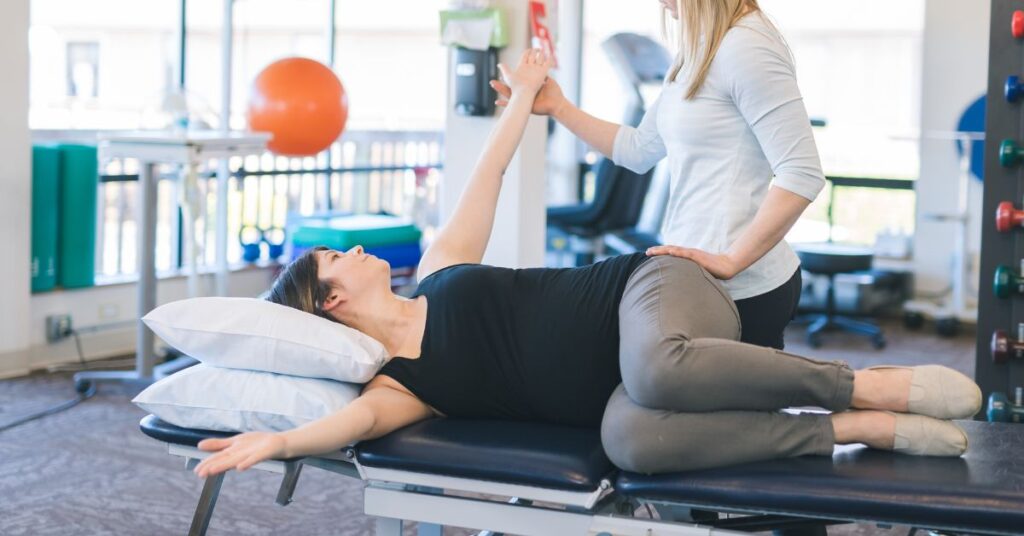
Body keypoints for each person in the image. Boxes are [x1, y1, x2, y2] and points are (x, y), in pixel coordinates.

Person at [193, 49, 980, 479]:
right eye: (341, 256)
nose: (360, 250)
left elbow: (487, 175)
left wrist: (531, 96)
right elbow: (352, 422)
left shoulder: (437, 271)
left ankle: (864, 384)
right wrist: (278, 441)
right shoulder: (402, 388)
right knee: (633, 440)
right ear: (329, 302)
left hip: (649, 289)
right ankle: (850, 428)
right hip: (624, 389)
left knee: (658, 370)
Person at [493, 0, 821, 350]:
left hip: (742, 286)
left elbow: (801, 173)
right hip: (693, 275)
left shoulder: (748, 47)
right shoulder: (697, 51)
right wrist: (559, 108)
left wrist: (731, 261)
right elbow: (638, 149)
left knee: (725, 400)